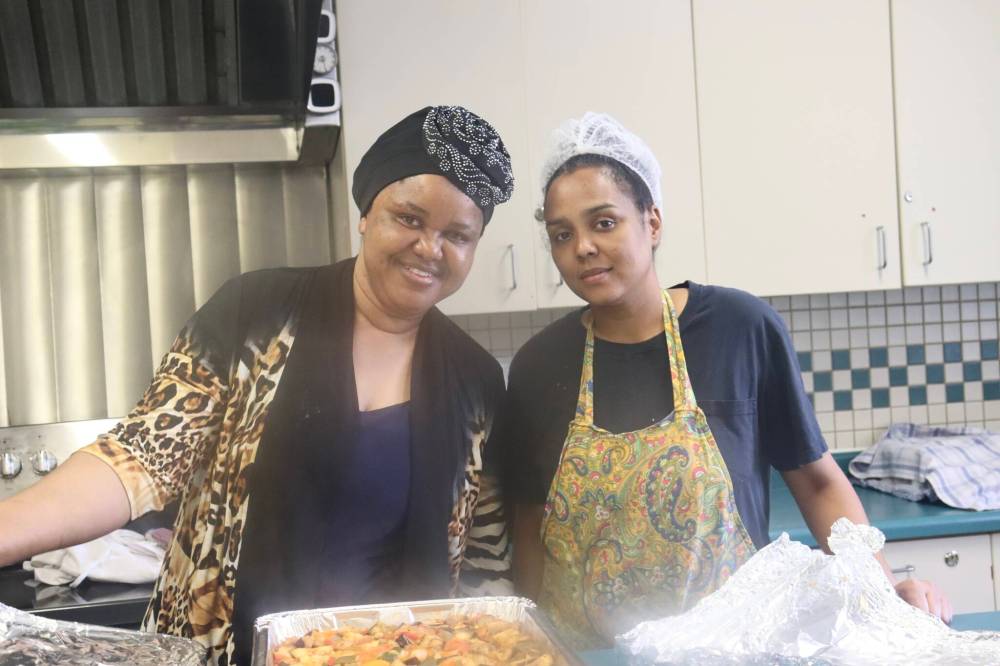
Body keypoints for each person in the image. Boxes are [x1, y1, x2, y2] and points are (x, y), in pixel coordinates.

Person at [0, 105, 515, 665]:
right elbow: (141, 456)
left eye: (457, 235)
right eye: (409, 218)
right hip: (224, 650)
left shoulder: (476, 379)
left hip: (387, 655)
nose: (430, 248)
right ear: (367, 212)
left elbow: (486, 559)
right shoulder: (258, 313)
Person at [496, 112, 952, 648]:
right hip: (588, 656)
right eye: (561, 234)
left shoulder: (739, 329)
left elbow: (819, 482)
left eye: (603, 222)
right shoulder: (537, 364)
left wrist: (879, 594)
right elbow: (527, 522)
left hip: (731, 652)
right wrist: (529, 645)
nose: (583, 247)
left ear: (652, 222)